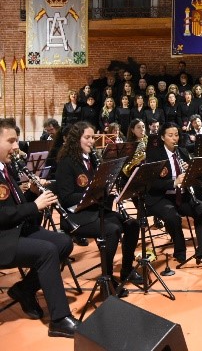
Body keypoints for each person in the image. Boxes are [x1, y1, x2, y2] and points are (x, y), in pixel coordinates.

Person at [0, 118, 80, 337]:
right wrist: (34, 206)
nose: (17, 147)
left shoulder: (5, 168)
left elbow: (13, 205)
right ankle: (60, 319)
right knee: (47, 252)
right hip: (3, 238)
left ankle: (25, 290)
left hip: (15, 229)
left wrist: (31, 194)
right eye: (11, 141)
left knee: (63, 242)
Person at [55, 121, 140, 294]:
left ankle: (126, 270)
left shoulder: (92, 159)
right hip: (76, 216)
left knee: (132, 224)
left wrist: (108, 189)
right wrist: (94, 192)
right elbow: (66, 198)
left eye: (93, 137)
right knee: (112, 230)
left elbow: (99, 186)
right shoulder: (66, 162)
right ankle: (106, 281)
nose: (91, 141)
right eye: (87, 138)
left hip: (93, 210)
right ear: (75, 140)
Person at [144, 122, 202, 266]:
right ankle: (180, 251)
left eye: (176, 135)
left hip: (182, 195)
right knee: (173, 217)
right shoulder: (154, 155)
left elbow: (193, 180)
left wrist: (190, 172)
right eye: (170, 135)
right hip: (160, 197)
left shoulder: (182, 152)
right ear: (163, 137)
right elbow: (150, 183)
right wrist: (173, 182)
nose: (174, 138)